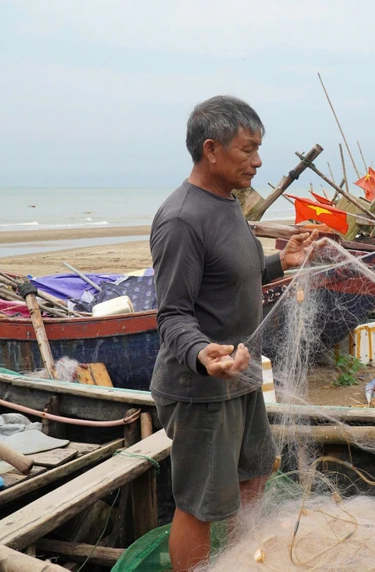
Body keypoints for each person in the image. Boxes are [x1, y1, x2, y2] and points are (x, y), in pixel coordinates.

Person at [150, 95, 317, 571]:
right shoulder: (182, 219)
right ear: (212, 150)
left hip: (241, 378)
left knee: (254, 478)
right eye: (248, 149)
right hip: (201, 388)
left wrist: (277, 263)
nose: (258, 160)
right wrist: (204, 354)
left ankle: (243, 563)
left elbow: (228, 278)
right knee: (200, 505)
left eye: (259, 148)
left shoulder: (226, 204)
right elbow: (172, 315)